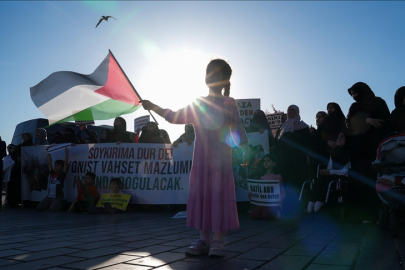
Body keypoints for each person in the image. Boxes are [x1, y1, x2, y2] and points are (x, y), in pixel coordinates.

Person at [142, 58, 249, 257]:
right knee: (203, 197)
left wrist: (244, 147)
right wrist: (153, 106)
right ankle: (203, 239)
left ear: (225, 80)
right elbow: (175, 117)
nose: (212, 77)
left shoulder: (229, 103)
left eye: (217, 74)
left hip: (221, 161)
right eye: (210, 73)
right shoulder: (198, 102)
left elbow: (238, 126)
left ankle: (217, 241)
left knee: (219, 197)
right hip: (201, 161)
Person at [346, 82, 390, 222]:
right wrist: (366, 120)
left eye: (355, 93)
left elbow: (385, 122)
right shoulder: (354, 107)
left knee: (375, 180)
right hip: (359, 151)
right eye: (352, 94)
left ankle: (378, 213)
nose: (353, 97)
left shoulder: (378, 102)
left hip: (375, 148)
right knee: (360, 181)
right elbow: (349, 123)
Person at [275, 105, 309, 216]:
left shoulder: (303, 127)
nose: (290, 111)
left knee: (295, 183)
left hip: (296, 160)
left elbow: (305, 143)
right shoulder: (283, 126)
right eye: (289, 109)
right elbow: (278, 142)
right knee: (286, 183)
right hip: (284, 160)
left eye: (292, 110)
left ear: (297, 112)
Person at [307, 131, 351, 215]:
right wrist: (325, 171)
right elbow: (329, 168)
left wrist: (330, 172)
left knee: (328, 180)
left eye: (342, 137)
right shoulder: (334, 153)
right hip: (332, 174)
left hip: (341, 177)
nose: (339, 138)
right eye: (338, 136)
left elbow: (346, 172)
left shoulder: (347, 153)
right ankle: (312, 201)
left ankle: (320, 202)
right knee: (320, 179)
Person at [249, 154, 285, 220]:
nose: (265, 162)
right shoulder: (262, 177)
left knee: (264, 216)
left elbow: (281, 190)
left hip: (274, 203)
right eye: (264, 161)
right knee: (253, 215)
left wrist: (280, 202)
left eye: (268, 161)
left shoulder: (277, 176)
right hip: (263, 201)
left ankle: (277, 211)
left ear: (274, 163)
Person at [36, 147, 69, 212]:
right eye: (55, 165)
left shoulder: (62, 175)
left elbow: (66, 163)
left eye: (58, 166)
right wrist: (48, 153)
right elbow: (49, 163)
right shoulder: (52, 173)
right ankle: (50, 203)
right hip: (49, 196)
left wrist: (66, 152)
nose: (55, 167)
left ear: (62, 167)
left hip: (58, 197)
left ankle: (61, 204)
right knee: (39, 208)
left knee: (52, 209)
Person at [8, 133, 33, 207]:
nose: (24, 138)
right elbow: (12, 154)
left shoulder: (32, 146)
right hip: (17, 167)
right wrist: (16, 158)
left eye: (26, 136)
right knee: (15, 183)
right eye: (23, 136)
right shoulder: (19, 146)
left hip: (27, 168)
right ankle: (13, 201)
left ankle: (27, 201)